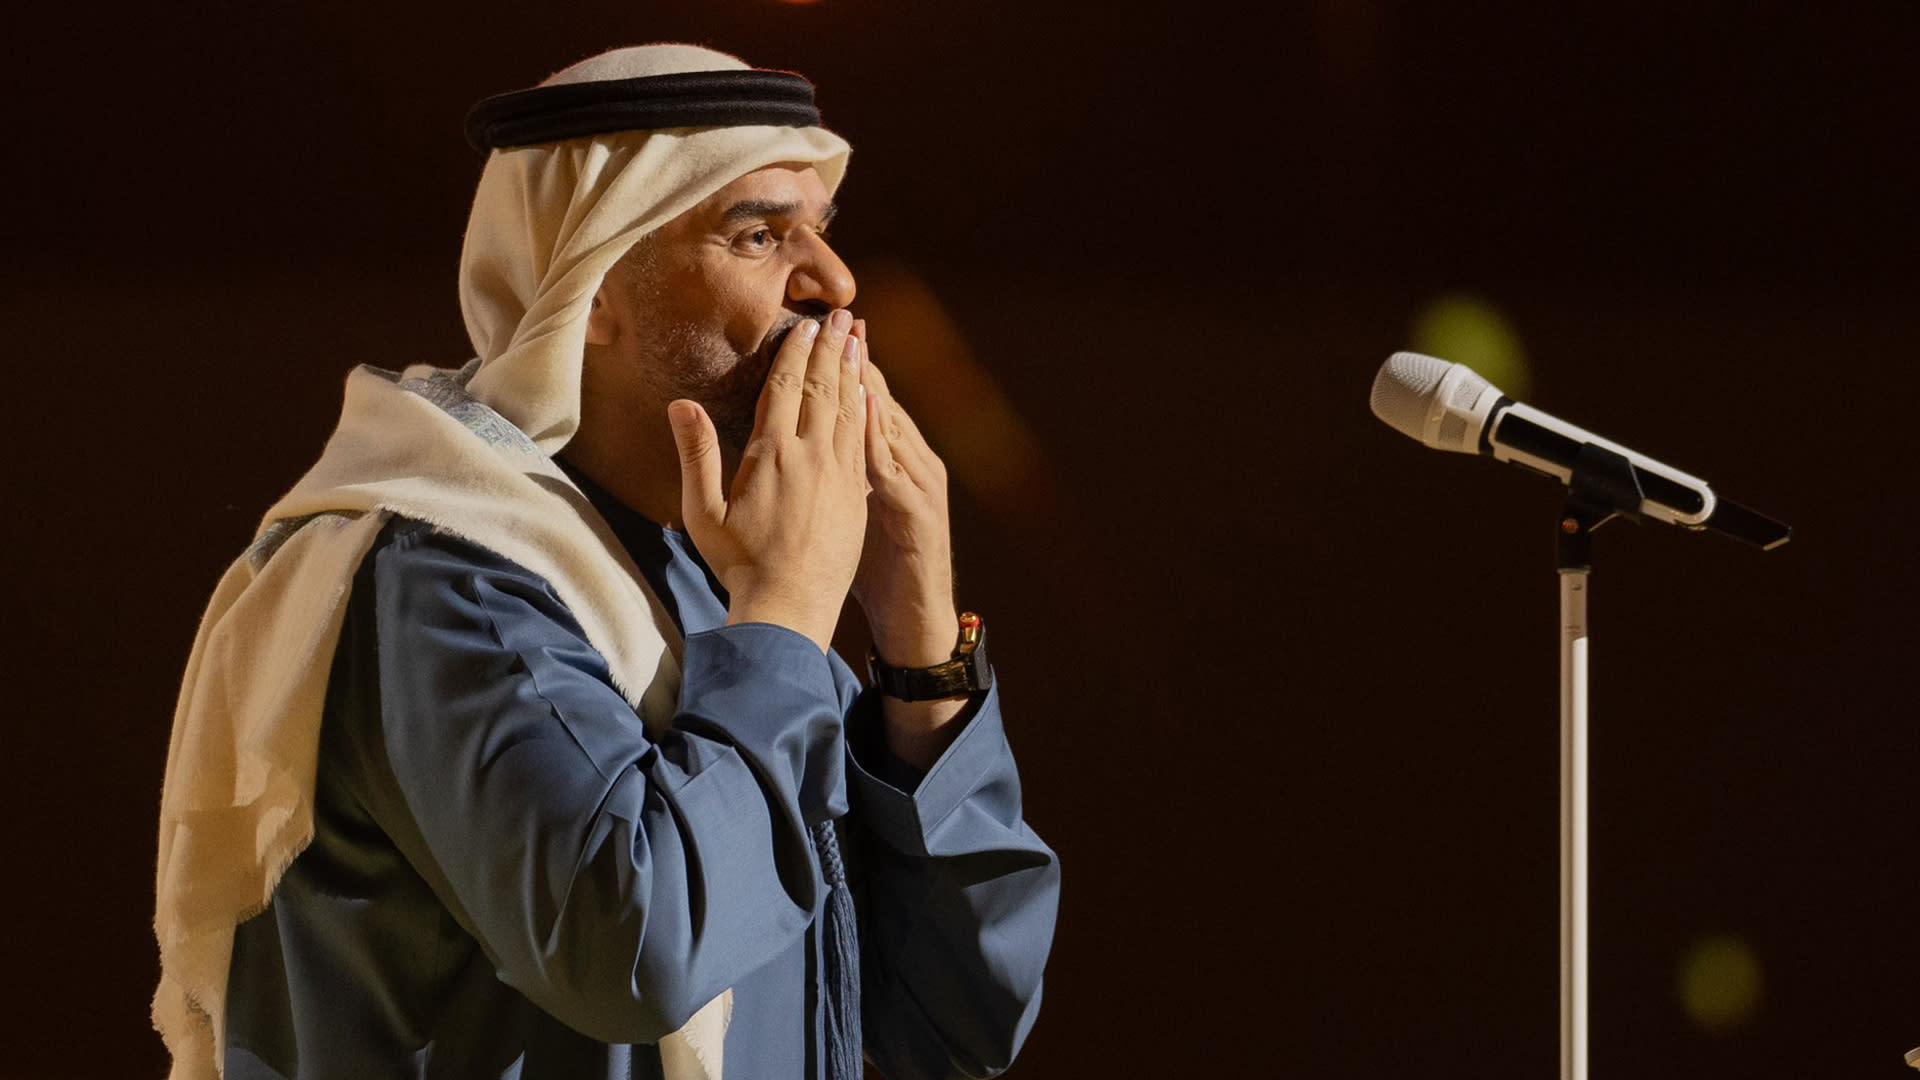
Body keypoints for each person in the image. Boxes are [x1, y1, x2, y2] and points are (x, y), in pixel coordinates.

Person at [152, 44, 1059, 1080]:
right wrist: (790, 607)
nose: (834, 282)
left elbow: (959, 1025)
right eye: (759, 234)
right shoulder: (447, 581)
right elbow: (633, 953)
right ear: (589, 291)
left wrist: (919, 639)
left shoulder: (719, 592)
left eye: (821, 229)